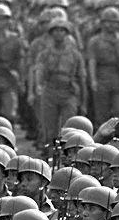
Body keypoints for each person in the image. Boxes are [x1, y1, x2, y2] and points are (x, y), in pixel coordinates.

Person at [34, 19, 87, 148]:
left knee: (69, 127)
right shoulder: (45, 54)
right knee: (49, 128)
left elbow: (82, 78)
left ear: (67, 33)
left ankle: (66, 156)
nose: (59, 33)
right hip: (50, 91)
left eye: (62, 30)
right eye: (56, 30)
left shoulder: (75, 55)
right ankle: (50, 156)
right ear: (51, 33)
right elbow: (39, 70)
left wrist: (84, 101)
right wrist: (38, 85)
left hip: (69, 92)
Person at [87, 8, 119, 124]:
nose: (110, 25)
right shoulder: (95, 41)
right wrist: (93, 80)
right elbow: (92, 61)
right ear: (102, 23)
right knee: (101, 114)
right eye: (107, 22)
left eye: (114, 22)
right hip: (102, 78)